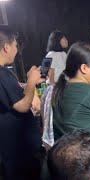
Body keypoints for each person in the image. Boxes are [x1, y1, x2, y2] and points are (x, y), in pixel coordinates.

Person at [0, 26, 43, 179]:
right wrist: (31, 80)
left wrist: (27, 85)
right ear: (6, 47)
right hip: (18, 152)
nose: (16, 50)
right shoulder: (3, 74)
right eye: (15, 46)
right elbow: (23, 105)